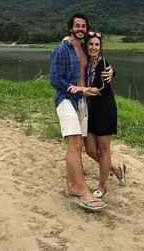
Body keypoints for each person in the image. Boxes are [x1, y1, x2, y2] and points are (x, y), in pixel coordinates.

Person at [49, 13, 106, 211]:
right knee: (75, 143)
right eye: (77, 26)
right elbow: (55, 79)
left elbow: (97, 59)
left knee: (77, 146)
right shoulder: (62, 49)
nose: (80, 29)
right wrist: (74, 88)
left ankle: (70, 186)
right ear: (71, 28)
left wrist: (111, 70)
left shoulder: (83, 48)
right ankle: (83, 191)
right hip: (66, 100)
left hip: (83, 103)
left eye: (83, 26)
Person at [83, 31, 126, 199]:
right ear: (86, 46)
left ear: (100, 47)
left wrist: (80, 91)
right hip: (91, 111)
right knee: (90, 151)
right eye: (90, 44)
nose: (93, 47)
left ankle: (101, 186)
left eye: (96, 45)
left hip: (105, 110)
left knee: (104, 149)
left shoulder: (104, 63)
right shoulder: (85, 63)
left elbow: (101, 89)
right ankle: (115, 168)